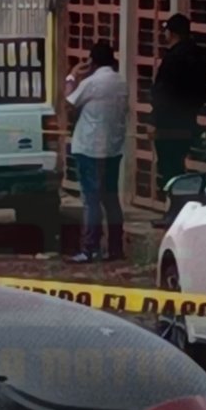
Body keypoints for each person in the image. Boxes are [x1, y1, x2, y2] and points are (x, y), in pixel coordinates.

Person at [65, 41, 129, 264]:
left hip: (89, 147)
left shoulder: (92, 82)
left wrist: (72, 77)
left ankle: (90, 249)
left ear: (92, 61)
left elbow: (69, 101)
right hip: (113, 147)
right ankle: (115, 248)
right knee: (111, 199)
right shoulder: (121, 82)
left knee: (91, 200)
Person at [148, 13, 206, 228]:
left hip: (169, 123)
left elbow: (163, 92)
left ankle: (174, 214)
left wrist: (154, 120)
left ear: (171, 32)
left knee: (170, 170)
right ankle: (179, 212)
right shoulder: (199, 55)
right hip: (188, 120)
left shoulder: (174, 58)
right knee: (178, 168)